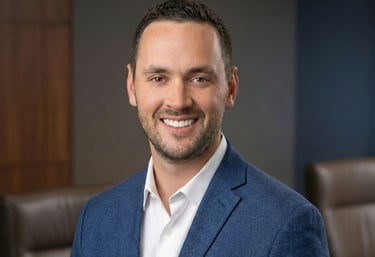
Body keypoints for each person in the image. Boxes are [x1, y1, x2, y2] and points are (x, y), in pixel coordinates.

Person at [71, 0, 330, 256]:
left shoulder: (287, 222)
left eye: (199, 79)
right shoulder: (96, 218)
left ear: (230, 88)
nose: (178, 101)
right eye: (158, 78)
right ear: (131, 86)